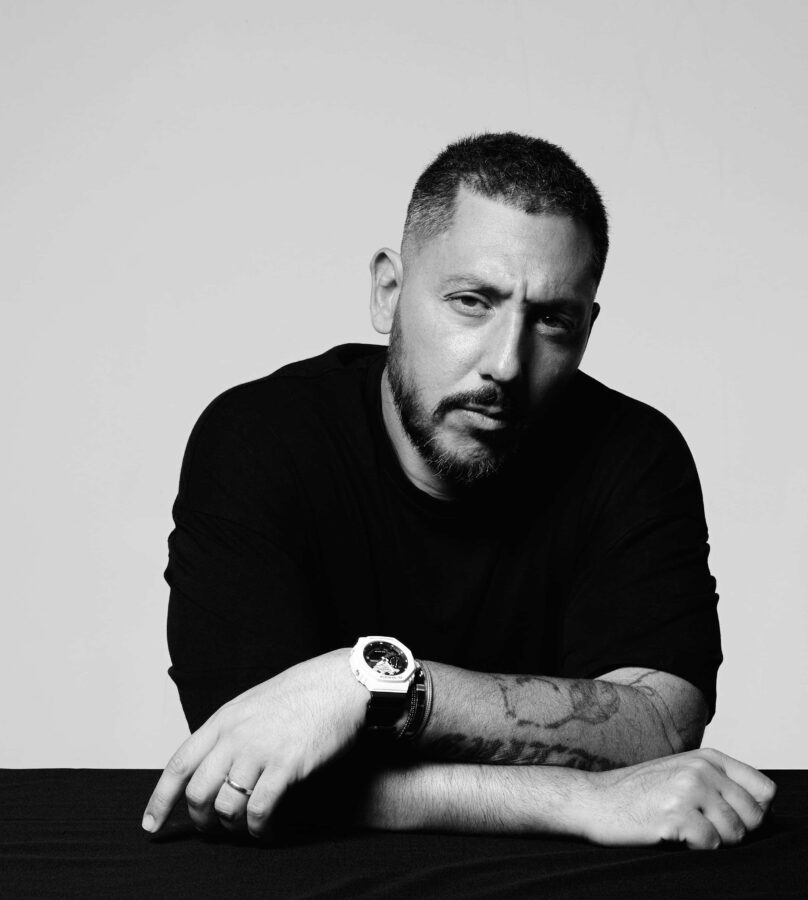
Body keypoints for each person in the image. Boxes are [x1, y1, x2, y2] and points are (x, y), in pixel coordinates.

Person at [142, 133, 775, 850]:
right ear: (388, 292)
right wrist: (577, 800)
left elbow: (660, 725)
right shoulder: (258, 439)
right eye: (472, 301)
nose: (506, 364)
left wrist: (375, 688)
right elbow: (242, 773)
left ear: (588, 329)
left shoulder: (635, 454)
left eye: (552, 320)